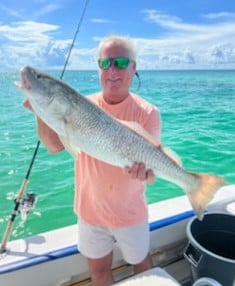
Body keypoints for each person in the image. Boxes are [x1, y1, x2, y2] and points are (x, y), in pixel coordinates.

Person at [24, 35, 161, 286]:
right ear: (98, 67)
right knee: (98, 273)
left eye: (120, 62)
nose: (112, 70)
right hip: (90, 212)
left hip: (131, 214)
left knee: (143, 269)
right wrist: (39, 109)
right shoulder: (81, 105)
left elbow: (151, 172)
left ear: (134, 67)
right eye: (105, 63)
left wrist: (146, 173)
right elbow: (54, 145)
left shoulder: (148, 113)